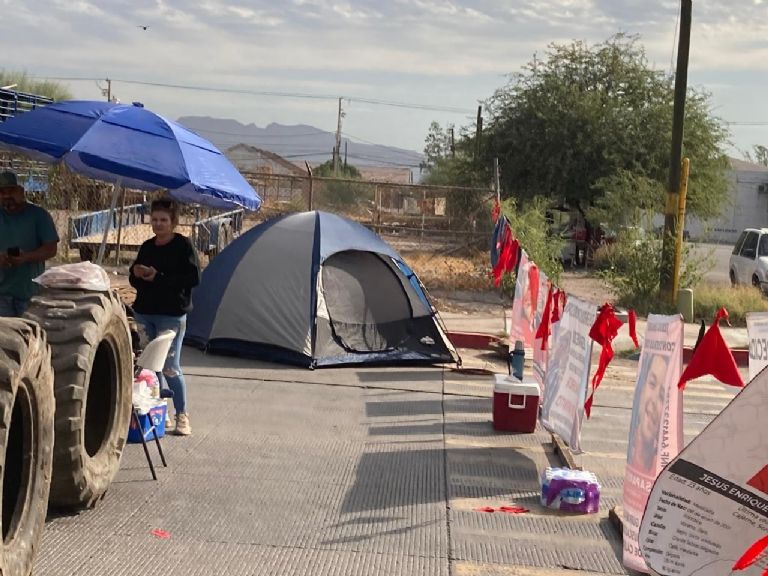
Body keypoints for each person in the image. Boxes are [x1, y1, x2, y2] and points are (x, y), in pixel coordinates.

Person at [129, 198, 200, 436]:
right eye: (155, 219)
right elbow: (133, 278)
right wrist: (138, 273)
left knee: (170, 367)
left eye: (163, 220)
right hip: (145, 312)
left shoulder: (183, 246)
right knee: (150, 367)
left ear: (174, 222)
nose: (158, 224)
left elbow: (192, 279)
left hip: (171, 314)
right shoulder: (147, 246)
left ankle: (182, 414)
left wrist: (159, 277)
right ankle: (160, 412)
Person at [0, 170, 59, 317]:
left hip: (30, 293)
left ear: (21, 192)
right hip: (1, 295)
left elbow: (51, 248)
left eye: (11, 191)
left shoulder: (39, 216)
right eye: (2, 192)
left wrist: (26, 257)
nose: (7, 196)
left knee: (30, 336)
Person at [627, 353, 669, 476]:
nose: (653, 401)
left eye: (662, 395)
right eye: (652, 384)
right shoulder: (631, 453)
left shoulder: (661, 472)